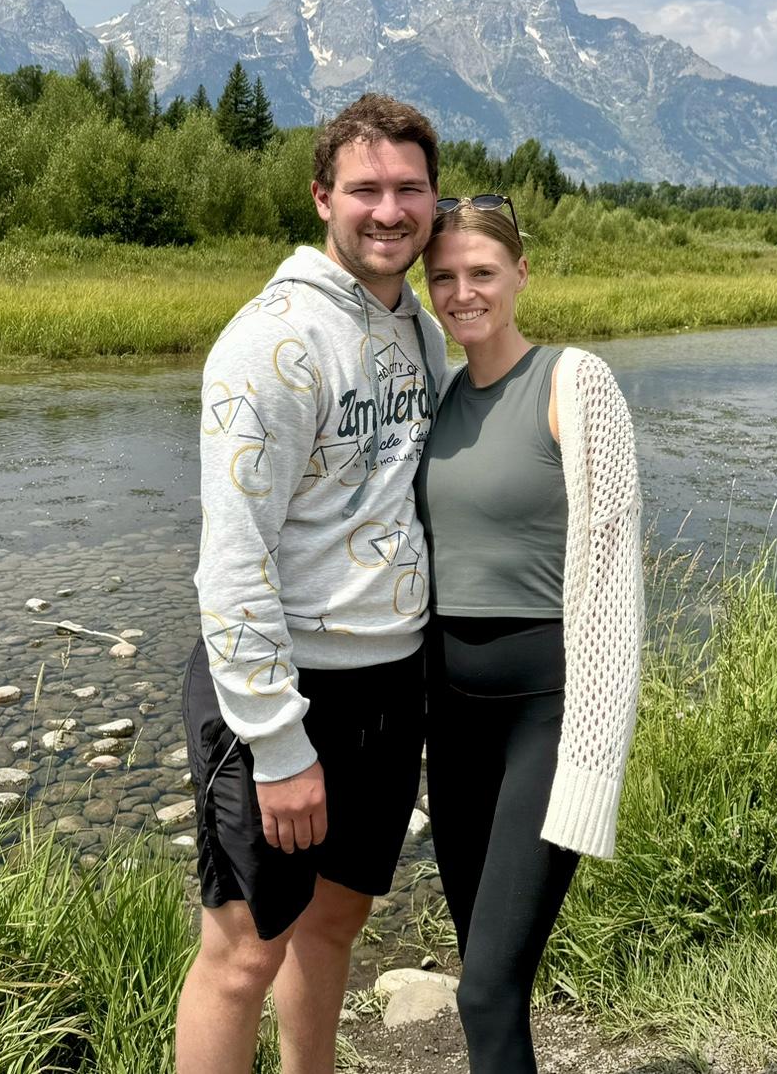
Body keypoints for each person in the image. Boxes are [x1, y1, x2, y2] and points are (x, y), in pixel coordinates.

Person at [176, 93, 446, 1074]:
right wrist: (278, 743)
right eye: (366, 188)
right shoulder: (270, 342)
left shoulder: (418, 327)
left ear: (432, 199)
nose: (389, 210)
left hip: (388, 682)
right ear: (322, 196)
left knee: (334, 922)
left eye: (409, 189)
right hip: (285, 698)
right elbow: (231, 554)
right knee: (243, 952)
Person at [415, 193, 643, 1074]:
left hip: (543, 719)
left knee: (483, 989)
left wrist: (596, 760)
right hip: (452, 719)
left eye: (480, 273)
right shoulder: (438, 400)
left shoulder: (573, 382)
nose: (462, 293)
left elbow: (616, 581)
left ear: (519, 274)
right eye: (444, 277)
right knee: (484, 969)